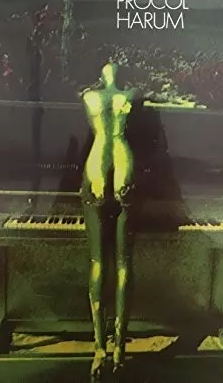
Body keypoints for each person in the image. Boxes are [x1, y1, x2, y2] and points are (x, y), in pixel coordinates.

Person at [80, 63, 136, 379]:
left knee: (98, 263)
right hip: (125, 167)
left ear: (101, 77)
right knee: (124, 264)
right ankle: (120, 350)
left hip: (96, 171)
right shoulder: (132, 95)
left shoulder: (88, 96)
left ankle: (99, 348)